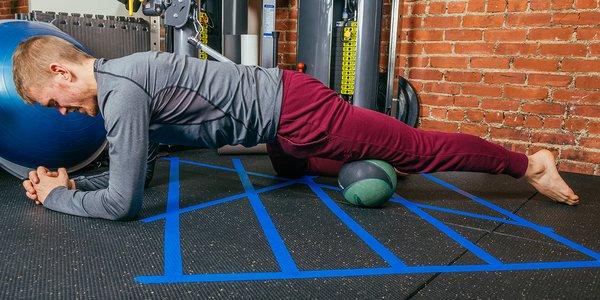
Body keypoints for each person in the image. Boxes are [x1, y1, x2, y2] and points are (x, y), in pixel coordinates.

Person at [14, 36, 579, 220]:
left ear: (62, 71)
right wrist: (74, 183)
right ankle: (382, 164)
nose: (61, 113)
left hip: (302, 113)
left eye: (53, 101)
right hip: (280, 123)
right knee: (285, 159)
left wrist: (61, 197)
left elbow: (124, 204)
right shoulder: (121, 77)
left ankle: (529, 164)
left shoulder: (121, 93)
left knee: (420, 148)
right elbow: (137, 159)